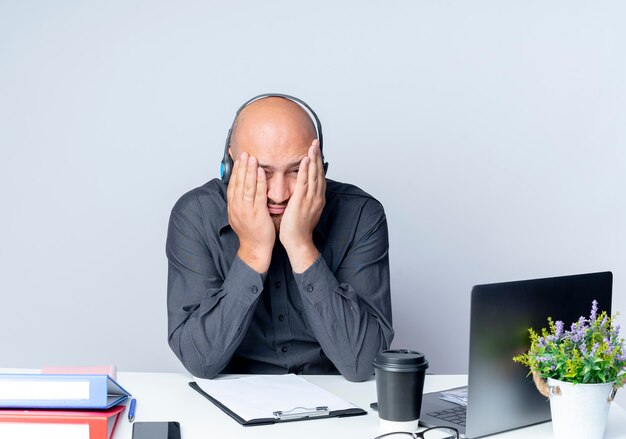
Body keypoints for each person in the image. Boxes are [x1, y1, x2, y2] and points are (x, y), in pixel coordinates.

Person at [166, 94, 393, 382]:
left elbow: (362, 364)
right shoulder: (195, 215)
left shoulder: (361, 215)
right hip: (232, 407)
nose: (279, 194)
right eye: (262, 171)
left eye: (297, 170)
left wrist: (301, 245)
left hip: (339, 404)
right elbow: (199, 360)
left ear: (320, 168)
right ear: (229, 166)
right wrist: (253, 251)